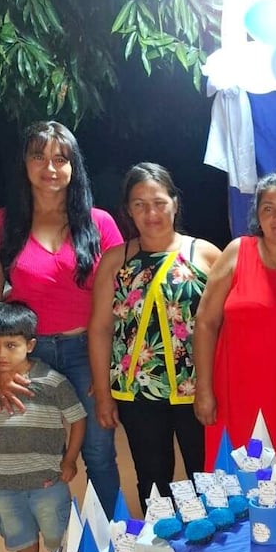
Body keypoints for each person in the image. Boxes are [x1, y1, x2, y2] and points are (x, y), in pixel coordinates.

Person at [0, 121, 123, 518]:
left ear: (74, 167)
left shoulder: (99, 223)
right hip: (27, 357)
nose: (50, 168)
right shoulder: (4, 224)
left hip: (88, 352)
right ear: (24, 164)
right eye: (39, 156)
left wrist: (107, 370)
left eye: (60, 158)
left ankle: (111, 538)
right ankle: (47, 544)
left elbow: (121, 302)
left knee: (99, 453)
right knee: (31, 453)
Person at [88, 163, 221, 511]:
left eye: (159, 202)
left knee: (207, 476)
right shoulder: (116, 260)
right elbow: (100, 328)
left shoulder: (205, 254)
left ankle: (210, 540)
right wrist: (102, 394)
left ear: (175, 203)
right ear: (128, 211)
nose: (151, 213)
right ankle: (159, 541)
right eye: (140, 204)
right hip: (137, 391)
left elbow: (226, 324)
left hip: (199, 387)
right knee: (152, 479)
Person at [194, 172, 276, 464]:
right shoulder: (237, 251)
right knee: (236, 478)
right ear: (258, 216)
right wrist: (203, 388)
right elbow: (205, 323)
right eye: (268, 208)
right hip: (235, 392)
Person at [0, 302, 86, 552]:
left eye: (11, 345)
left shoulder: (51, 381)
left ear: (31, 345)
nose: (2, 354)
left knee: (57, 536)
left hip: (47, 482)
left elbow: (77, 419)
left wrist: (70, 460)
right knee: (21, 538)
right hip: (5, 485)